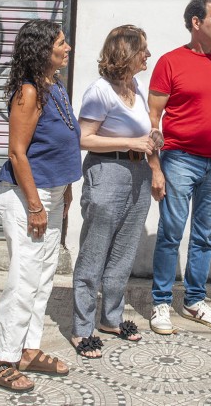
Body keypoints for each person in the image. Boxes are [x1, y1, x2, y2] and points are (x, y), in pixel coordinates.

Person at [0, 19, 82, 393]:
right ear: (43, 50)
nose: (67, 47)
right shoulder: (28, 92)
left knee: (42, 277)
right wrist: (37, 205)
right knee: (24, 277)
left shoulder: (53, 86)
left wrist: (66, 190)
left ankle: (28, 349)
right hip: (27, 196)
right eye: (60, 42)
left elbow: (61, 143)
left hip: (52, 193)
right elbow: (17, 153)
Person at [148, 0, 211, 334]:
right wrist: (156, 165)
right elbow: (153, 118)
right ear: (196, 22)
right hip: (179, 160)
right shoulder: (170, 62)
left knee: (204, 236)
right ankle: (161, 303)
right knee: (171, 233)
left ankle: (194, 301)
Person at [70, 25, 161, 357]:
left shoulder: (134, 87)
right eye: (144, 50)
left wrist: (153, 153)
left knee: (123, 252)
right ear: (127, 53)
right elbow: (83, 138)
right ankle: (82, 329)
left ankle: (110, 318)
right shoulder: (100, 91)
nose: (148, 55)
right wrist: (130, 141)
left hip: (137, 171)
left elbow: (142, 131)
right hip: (107, 172)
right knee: (95, 252)